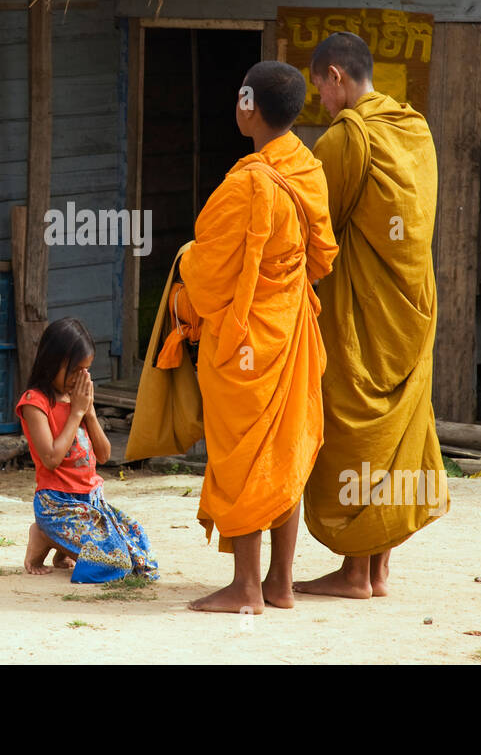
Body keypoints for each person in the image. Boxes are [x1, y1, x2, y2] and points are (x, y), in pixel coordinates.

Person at [168, 60, 339, 613]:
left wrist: (184, 273)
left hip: (246, 341)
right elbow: (321, 256)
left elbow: (209, 270)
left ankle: (245, 588)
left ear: (249, 105)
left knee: (245, 455)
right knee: (283, 452)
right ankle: (281, 585)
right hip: (290, 327)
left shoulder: (245, 185)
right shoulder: (306, 168)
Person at [297, 31, 450, 600]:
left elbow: (315, 225)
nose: (321, 101)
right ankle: (377, 570)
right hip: (412, 308)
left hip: (361, 313)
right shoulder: (415, 130)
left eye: (320, 87)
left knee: (356, 425)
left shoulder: (347, 138)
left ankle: (355, 573)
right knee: (395, 432)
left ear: (336, 75)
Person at [16, 317, 159, 583]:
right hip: (57, 504)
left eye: (86, 370)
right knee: (114, 561)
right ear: (52, 362)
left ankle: (62, 547)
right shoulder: (34, 403)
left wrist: (89, 414)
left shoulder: (79, 400)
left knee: (141, 558)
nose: (80, 378)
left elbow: (104, 455)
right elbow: (50, 459)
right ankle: (45, 534)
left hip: (91, 501)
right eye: (74, 370)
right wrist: (76, 413)